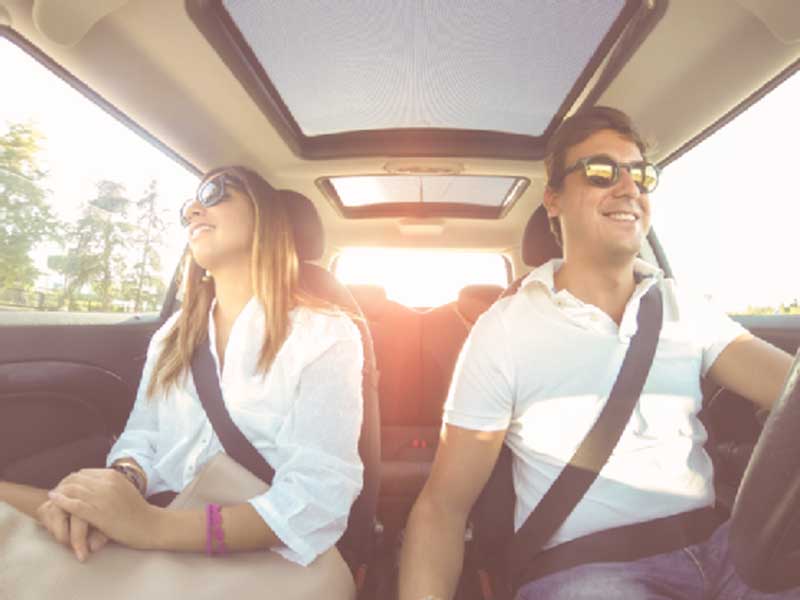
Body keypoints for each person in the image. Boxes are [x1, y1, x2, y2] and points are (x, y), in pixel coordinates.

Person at [398, 107, 797, 600]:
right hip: (588, 570)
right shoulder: (504, 331)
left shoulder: (681, 307)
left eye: (641, 175)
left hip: (722, 549)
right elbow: (443, 508)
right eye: (602, 171)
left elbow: (791, 392)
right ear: (553, 200)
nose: (629, 188)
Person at [0, 166, 364, 569]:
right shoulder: (174, 334)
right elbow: (143, 436)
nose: (193, 209)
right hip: (152, 521)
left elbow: (318, 495)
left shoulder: (324, 334)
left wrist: (153, 527)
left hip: (253, 551)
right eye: (189, 204)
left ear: (266, 218)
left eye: (214, 192)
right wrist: (121, 483)